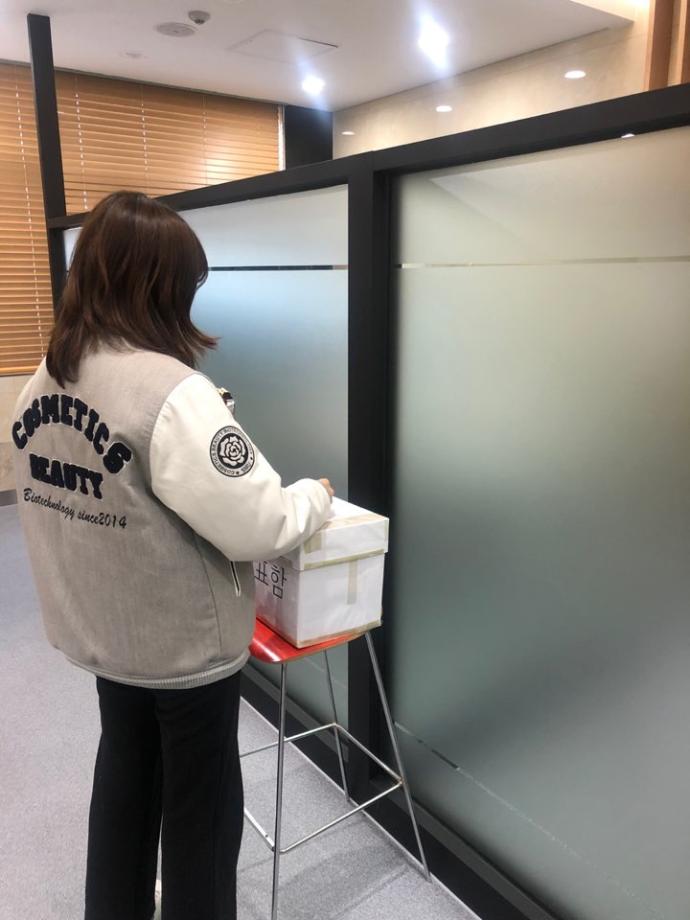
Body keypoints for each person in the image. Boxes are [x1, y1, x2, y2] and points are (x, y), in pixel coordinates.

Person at [10, 190, 335, 920]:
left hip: (104, 633)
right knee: (201, 813)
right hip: (182, 649)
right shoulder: (172, 394)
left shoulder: (45, 379)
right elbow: (260, 523)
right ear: (160, 286)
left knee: (125, 779)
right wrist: (314, 497)